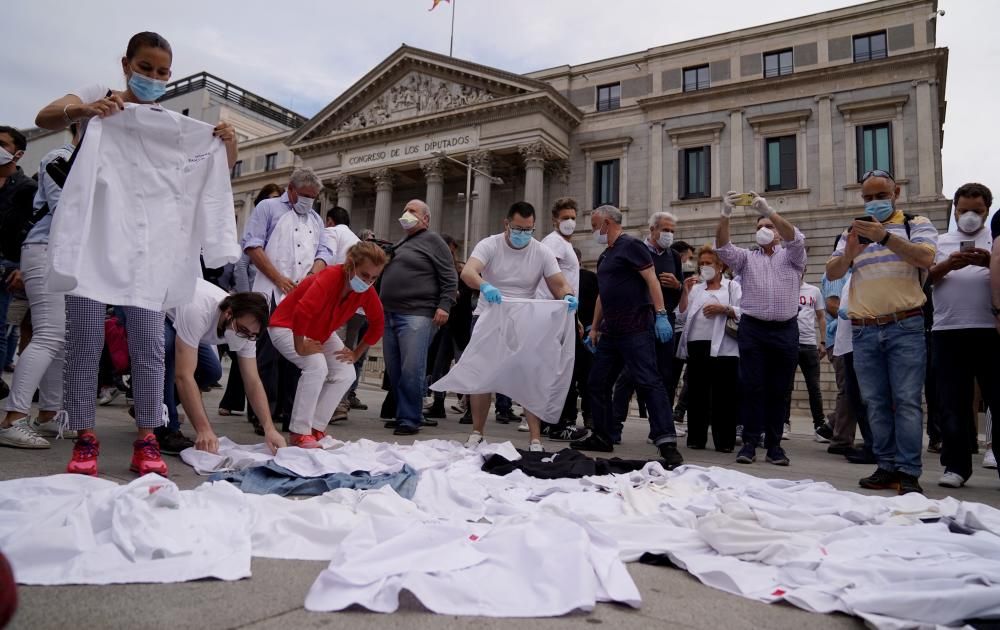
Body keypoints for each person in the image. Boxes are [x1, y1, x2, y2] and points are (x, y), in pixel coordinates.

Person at [34, 31, 240, 476]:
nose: (154, 77)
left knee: (149, 345)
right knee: (85, 341)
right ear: (126, 63)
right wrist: (86, 110)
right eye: (145, 68)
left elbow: (207, 177)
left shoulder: (173, 127)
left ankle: (147, 436)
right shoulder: (100, 100)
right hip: (96, 238)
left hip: (149, 249)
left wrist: (228, 145)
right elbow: (46, 115)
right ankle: (84, 436)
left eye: (163, 72)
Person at [826, 169, 938, 495]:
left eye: (880, 195)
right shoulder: (851, 231)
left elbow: (926, 257)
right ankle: (885, 465)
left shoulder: (916, 223)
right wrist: (849, 252)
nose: (874, 202)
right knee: (874, 401)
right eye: (868, 197)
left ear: (896, 193)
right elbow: (832, 271)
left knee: (906, 401)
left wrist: (885, 237)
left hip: (905, 325)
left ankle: (908, 471)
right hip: (864, 329)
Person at [569, 205, 683, 469]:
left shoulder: (631, 245)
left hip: (635, 327)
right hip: (611, 331)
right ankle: (602, 435)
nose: (594, 229)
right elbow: (602, 295)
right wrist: (595, 327)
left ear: (607, 223)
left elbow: (652, 280)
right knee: (597, 382)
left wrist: (661, 313)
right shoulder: (606, 256)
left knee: (648, 381)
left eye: (596, 223)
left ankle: (666, 442)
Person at [460, 201, 577, 451]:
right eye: (518, 228)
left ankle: (535, 438)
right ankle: (477, 432)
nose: (523, 234)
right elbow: (469, 271)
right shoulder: (489, 244)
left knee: (529, 377)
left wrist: (567, 295)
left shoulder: (541, 251)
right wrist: (484, 285)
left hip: (524, 318)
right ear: (507, 224)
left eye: (528, 229)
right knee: (481, 376)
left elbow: (558, 282)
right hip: (489, 314)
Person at [0, 126, 78, 448]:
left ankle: (47, 414)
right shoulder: (60, 158)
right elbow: (69, 212)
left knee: (59, 337)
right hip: (48, 249)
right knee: (49, 333)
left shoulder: (86, 160)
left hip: (65, 253)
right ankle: (13, 419)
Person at [717, 191, 807, 467]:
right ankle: (750, 443)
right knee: (752, 386)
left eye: (768, 227)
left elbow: (796, 237)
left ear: (777, 232)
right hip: (753, 328)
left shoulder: (792, 256)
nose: (764, 231)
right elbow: (722, 247)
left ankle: (775, 446)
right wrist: (725, 213)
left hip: (785, 329)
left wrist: (769, 212)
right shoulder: (747, 258)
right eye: (759, 228)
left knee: (780, 388)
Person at [268, 242, 387, 447]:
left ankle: (316, 427)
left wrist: (356, 354)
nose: (368, 282)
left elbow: (378, 324)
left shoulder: (366, 291)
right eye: (364, 275)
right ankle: (299, 432)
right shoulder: (331, 276)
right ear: (351, 266)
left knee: (346, 373)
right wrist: (300, 346)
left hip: (320, 332)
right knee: (316, 366)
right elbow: (302, 311)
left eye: (374, 278)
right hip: (285, 326)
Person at [243, 168, 333, 433]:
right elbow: (252, 245)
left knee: (299, 352)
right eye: (305, 195)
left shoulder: (316, 219)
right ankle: (264, 414)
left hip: (302, 296)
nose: (309, 200)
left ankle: (291, 411)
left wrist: (311, 277)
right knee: (267, 356)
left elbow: (324, 251)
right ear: (291, 189)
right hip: (270, 290)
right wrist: (278, 278)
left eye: (314, 197)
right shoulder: (268, 208)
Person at [926, 183, 999, 488]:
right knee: (952, 402)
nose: (969, 216)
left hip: (990, 330)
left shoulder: (995, 241)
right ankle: (955, 466)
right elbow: (925, 278)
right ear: (954, 209)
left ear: (987, 210)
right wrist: (945, 266)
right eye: (963, 210)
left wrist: (989, 262)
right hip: (948, 331)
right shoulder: (940, 241)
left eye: (977, 211)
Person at [160, 280, 285, 454]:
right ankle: (165, 427)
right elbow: (184, 375)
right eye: (241, 330)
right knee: (166, 351)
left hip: (190, 326)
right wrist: (204, 429)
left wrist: (269, 428)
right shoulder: (199, 310)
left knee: (211, 371)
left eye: (252, 335)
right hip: (160, 310)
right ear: (228, 313)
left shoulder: (248, 332)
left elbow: (253, 380)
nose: (245, 337)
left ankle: (155, 404)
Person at [379, 199, 458, 436]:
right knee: (395, 368)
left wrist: (445, 305)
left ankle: (410, 418)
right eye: (405, 209)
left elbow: (449, 276)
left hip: (417, 313)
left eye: (412, 211)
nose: (406, 213)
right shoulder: (403, 241)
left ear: (426, 219)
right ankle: (403, 412)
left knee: (412, 368)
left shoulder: (433, 241)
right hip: (390, 313)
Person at [606, 211, 686, 444]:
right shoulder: (635, 250)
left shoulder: (674, 257)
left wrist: (677, 284)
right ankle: (615, 424)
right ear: (652, 230)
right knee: (630, 375)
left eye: (672, 231)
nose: (669, 235)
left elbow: (680, 289)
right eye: (665, 229)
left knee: (665, 375)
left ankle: (660, 427)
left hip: (665, 321)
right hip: (638, 319)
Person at [220, 185, 283, 421]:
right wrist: (247, 298)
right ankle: (233, 400)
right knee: (244, 346)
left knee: (252, 350)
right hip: (253, 297)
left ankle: (250, 404)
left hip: (272, 296)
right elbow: (241, 265)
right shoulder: (256, 229)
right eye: (272, 199)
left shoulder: (281, 230)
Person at [676, 245, 741, 452]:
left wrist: (724, 309)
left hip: (725, 347)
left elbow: (744, 311)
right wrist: (685, 293)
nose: (705, 267)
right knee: (697, 393)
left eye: (709, 263)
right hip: (697, 344)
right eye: (701, 263)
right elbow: (682, 316)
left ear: (720, 266)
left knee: (725, 396)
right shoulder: (696, 288)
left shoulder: (732, 287)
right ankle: (696, 438)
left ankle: (725, 441)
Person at [535, 197, 586, 441]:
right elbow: (551, 276)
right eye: (565, 217)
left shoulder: (561, 243)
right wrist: (562, 303)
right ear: (555, 219)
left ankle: (549, 421)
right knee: (564, 370)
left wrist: (573, 316)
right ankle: (561, 423)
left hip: (563, 312)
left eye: (573, 218)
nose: (570, 222)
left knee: (558, 369)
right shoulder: (554, 242)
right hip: (556, 312)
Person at [0, 125, 37, 404]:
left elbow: (31, 230)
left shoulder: (27, 188)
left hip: (9, 267)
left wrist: (23, 267)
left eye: (3, 144)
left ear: (18, 153)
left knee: (2, 328)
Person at [324, 205, 367, 417]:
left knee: (331, 355)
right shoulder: (357, 242)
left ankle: (331, 406)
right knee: (346, 354)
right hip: (358, 309)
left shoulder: (332, 233)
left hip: (339, 304)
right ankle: (341, 402)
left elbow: (325, 263)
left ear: (330, 221)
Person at [783, 272, 830, 442]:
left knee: (814, 388)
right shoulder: (784, 289)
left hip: (809, 344)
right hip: (788, 343)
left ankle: (819, 426)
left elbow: (821, 317)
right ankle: (784, 423)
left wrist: (823, 341)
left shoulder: (814, 291)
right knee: (786, 387)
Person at [821, 235, 854, 455]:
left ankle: (831, 424)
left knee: (854, 388)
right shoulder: (837, 272)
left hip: (853, 338)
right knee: (848, 389)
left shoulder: (854, 272)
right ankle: (841, 438)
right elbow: (833, 305)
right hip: (840, 339)